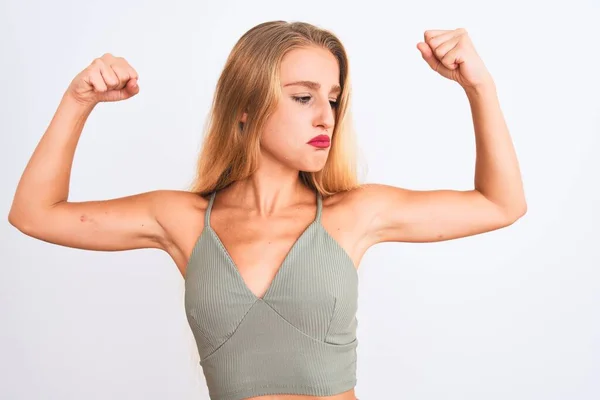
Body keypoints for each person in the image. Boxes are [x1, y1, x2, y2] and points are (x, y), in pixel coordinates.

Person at [8, 20, 526, 400]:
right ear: (246, 106)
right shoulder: (182, 220)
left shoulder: (356, 213)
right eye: (303, 97)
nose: (326, 114)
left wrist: (479, 87)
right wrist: (79, 99)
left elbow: (500, 204)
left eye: (333, 98)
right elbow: (33, 213)